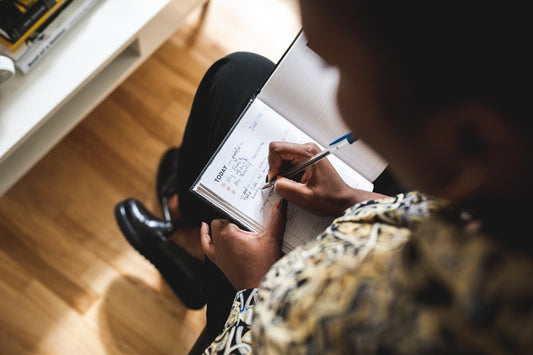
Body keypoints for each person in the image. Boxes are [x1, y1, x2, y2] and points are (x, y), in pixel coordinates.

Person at [115, 1, 533, 354]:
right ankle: (188, 233)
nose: (333, 95)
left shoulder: (385, 328)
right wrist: (355, 201)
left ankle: (190, 241)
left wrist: (253, 292)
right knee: (238, 76)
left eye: (339, 70)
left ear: (472, 138)